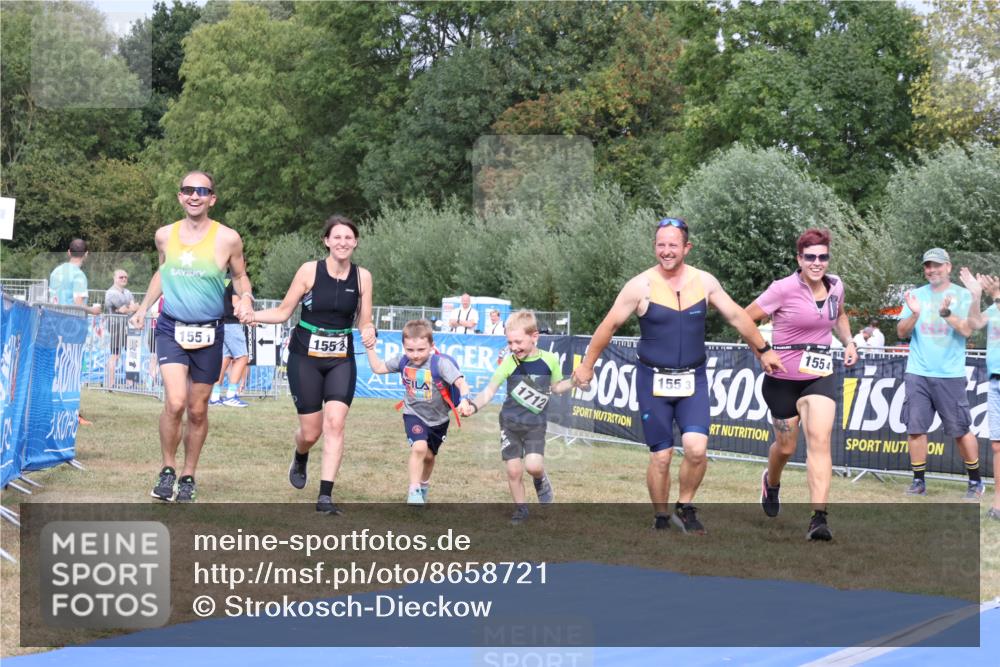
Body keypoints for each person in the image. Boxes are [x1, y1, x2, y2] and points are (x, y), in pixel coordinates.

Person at [572, 217, 785, 533]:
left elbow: (738, 317)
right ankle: (660, 515)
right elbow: (608, 326)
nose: (666, 251)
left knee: (697, 450)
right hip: (652, 380)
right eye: (661, 244)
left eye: (673, 245)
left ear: (687, 247)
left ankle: (685, 506)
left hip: (693, 380)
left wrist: (764, 349)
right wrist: (587, 364)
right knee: (662, 456)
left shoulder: (705, 282)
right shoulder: (639, 285)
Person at [129, 171, 253, 503]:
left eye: (202, 191)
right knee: (175, 402)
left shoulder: (228, 238)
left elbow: (239, 276)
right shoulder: (164, 235)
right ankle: (167, 469)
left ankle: (188, 475)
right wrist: (143, 307)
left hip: (210, 332)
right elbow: (162, 271)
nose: (194, 196)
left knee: (197, 410)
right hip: (171, 327)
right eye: (188, 190)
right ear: (180, 196)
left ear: (212, 198)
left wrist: (246, 299)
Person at [245, 215, 376, 515]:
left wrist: (368, 329)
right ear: (327, 241)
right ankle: (300, 454)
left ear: (355, 242)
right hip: (305, 357)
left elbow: (364, 319)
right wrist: (253, 316)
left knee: (336, 424)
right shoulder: (309, 271)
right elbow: (282, 312)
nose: (343, 242)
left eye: (348, 238)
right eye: (337, 237)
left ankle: (325, 497)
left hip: (341, 358)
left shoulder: (362, 277)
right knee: (311, 432)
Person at [744, 228, 858, 541]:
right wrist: (763, 352)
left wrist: (848, 342)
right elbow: (744, 319)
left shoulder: (836, 286)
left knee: (820, 440)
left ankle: (818, 518)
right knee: (786, 447)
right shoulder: (782, 289)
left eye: (823, 257)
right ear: (799, 259)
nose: (817, 262)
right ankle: (772, 481)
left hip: (819, 376)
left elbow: (840, 315)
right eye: (810, 257)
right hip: (781, 380)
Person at [460, 310, 574, 524]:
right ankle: (521, 509)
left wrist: (575, 382)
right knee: (514, 470)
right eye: (510, 342)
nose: (513, 347)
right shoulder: (509, 362)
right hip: (510, 424)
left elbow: (557, 387)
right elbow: (489, 391)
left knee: (533, 467)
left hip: (535, 425)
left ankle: (540, 480)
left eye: (518, 342)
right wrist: (473, 407)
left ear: (535, 337)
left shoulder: (550, 360)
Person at [896, 248, 982, 499]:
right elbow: (901, 332)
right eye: (927, 266)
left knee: (960, 430)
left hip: (950, 374)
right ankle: (918, 482)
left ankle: (976, 482)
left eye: (937, 265)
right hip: (917, 372)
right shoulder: (915, 295)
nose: (932, 270)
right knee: (915, 429)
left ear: (948, 267)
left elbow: (967, 331)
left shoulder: (964, 295)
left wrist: (946, 313)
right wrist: (914, 314)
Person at [365, 319, 471, 506]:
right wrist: (370, 347)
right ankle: (413, 490)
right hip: (413, 413)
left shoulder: (441, 364)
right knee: (419, 448)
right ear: (404, 347)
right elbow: (378, 368)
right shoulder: (402, 361)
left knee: (429, 457)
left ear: (432, 346)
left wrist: (464, 400)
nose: (415, 355)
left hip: (438, 420)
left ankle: (423, 485)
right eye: (410, 350)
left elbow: (461, 382)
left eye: (421, 350)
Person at [959, 268, 999, 520]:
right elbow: (972, 325)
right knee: (997, 445)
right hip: (995, 382)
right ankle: (998, 503)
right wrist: (975, 296)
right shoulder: (994, 309)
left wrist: (995, 296)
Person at [210, 275, 250, 408]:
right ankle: (231, 395)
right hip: (231, 323)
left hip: (219, 322)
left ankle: (215, 396)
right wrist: (249, 315)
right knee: (242, 357)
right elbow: (235, 303)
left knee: (225, 358)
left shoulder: (219, 278)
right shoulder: (237, 280)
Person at [104, 269, 138, 388]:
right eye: (121, 277)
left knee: (131, 354)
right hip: (116, 326)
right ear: (114, 278)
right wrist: (130, 308)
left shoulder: (128, 292)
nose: (124, 279)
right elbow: (124, 309)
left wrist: (129, 308)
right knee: (115, 354)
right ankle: (111, 383)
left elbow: (135, 307)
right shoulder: (111, 293)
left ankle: (130, 384)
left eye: (125, 277)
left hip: (128, 325)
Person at [49, 238, 102, 315]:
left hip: (53, 318)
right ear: (86, 254)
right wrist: (93, 310)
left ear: (69, 252)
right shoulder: (79, 275)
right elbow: (78, 303)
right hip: (71, 321)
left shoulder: (55, 271)